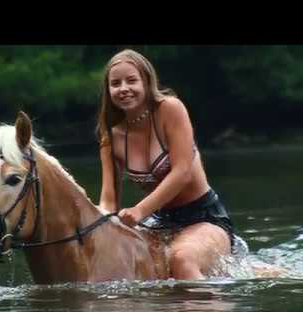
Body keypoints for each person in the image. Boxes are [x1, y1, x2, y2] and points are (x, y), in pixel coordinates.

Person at [96, 49, 236, 280]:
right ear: (108, 89)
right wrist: (97, 225)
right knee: (124, 261)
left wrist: (139, 210)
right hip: (159, 222)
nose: (123, 88)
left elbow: (182, 172)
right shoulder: (110, 136)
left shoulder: (170, 109)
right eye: (115, 83)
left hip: (204, 216)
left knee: (181, 259)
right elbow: (108, 199)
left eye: (131, 80)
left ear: (147, 81)